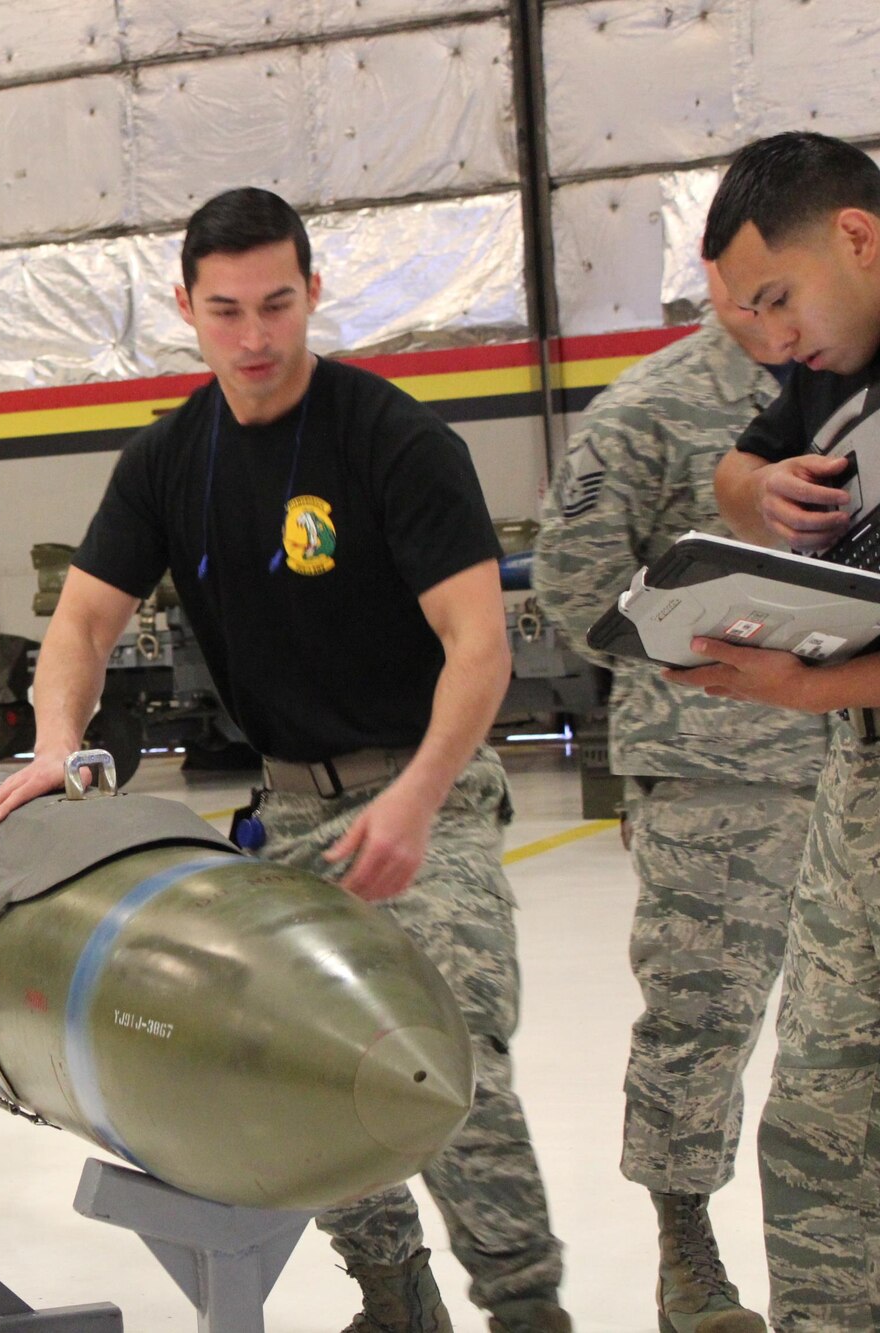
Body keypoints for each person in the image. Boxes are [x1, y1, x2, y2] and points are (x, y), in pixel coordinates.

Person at [0, 187, 568, 1332]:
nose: (255, 338)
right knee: (297, 1070)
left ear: (313, 294)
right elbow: (82, 624)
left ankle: (527, 1311)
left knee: (447, 1057)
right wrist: (56, 745)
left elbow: (477, 645)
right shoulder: (167, 462)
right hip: (290, 809)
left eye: (278, 305)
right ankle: (393, 1301)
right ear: (186, 308)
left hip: (423, 784)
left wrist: (417, 796)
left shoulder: (392, 440)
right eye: (227, 310)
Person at [533, 262, 827, 1333]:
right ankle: (686, 1256)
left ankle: (835, 1264)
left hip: (850, 748)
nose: (780, 313)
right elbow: (569, 586)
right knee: (700, 1021)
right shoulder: (647, 411)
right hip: (713, 772)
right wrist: (691, 635)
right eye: (756, 288)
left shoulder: (843, 386)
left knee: (846, 1035)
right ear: (711, 278)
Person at [672, 130, 880, 1333]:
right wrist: (760, 493)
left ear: (853, 236)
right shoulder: (833, 357)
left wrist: (810, 694)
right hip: (859, 788)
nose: (770, 337)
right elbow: (731, 467)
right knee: (817, 1123)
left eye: (774, 298)